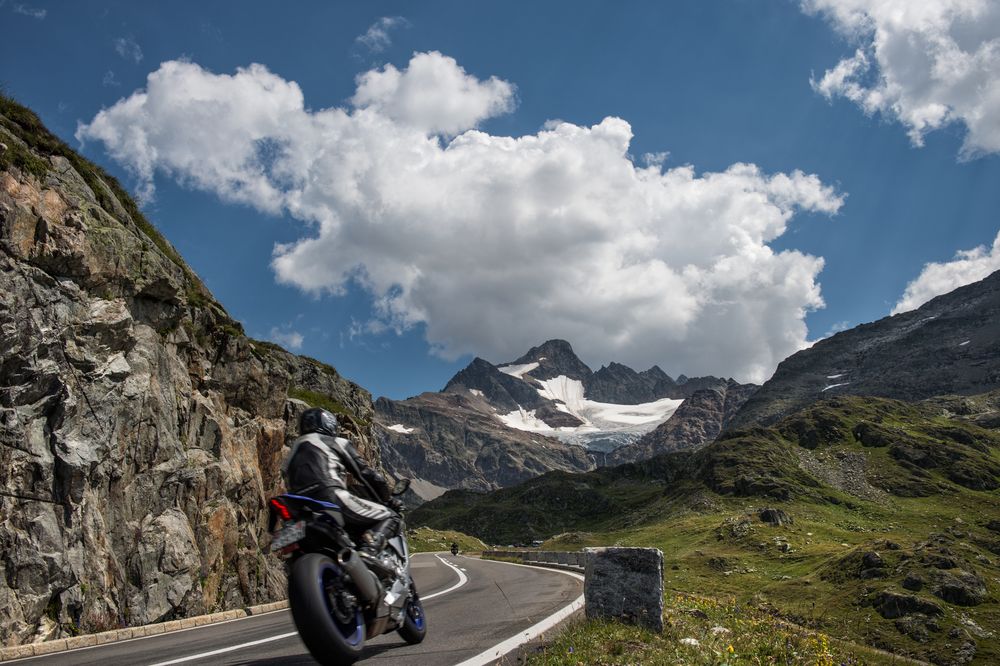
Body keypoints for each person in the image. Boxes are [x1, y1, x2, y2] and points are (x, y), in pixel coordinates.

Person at [282, 407, 402, 554]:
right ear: (328, 424)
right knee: (392, 516)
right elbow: (366, 473)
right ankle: (369, 549)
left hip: (298, 507)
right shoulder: (334, 441)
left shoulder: (292, 451)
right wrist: (388, 499)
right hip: (330, 496)